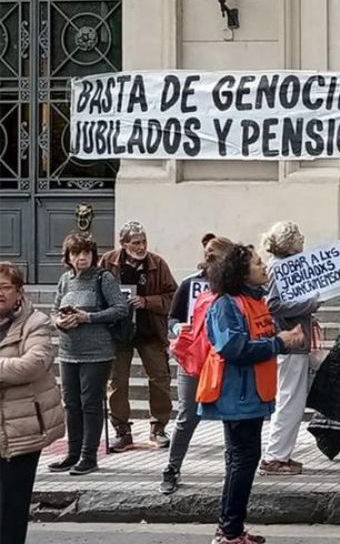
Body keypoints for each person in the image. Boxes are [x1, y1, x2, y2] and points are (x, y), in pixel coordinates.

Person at [198, 242, 308, 544]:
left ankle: (230, 527)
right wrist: (280, 343)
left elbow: (260, 336)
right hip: (238, 395)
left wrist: (285, 337)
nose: (264, 267)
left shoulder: (254, 302)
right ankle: (229, 531)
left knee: (242, 460)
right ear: (242, 273)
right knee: (242, 460)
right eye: (259, 263)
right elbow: (234, 348)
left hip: (253, 394)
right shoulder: (226, 305)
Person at [48, 232, 128, 476]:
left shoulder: (103, 278)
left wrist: (88, 317)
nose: (81, 258)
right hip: (68, 351)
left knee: (90, 403)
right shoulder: (65, 280)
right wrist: (59, 321)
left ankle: (89, 456)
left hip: (97, 352)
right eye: (76, 253)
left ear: (93, 256)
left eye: (86, 253)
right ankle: (73, 453)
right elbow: (53, 309)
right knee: (71, 404)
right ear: (68, 257)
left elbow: (121, 308)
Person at [161, 233, 234, 495]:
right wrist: (180, 327)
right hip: (194, 358)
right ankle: (172, 467)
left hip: (222, 359)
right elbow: (172, 318)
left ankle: (232, 470)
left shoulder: (234, 291)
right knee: (187, 415)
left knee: (229, 415)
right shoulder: (190, 285)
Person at [0, 262, 66, 544]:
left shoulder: (35, 322)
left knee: (11, 506)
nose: (0, 293)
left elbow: (32, 365)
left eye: (5, 287)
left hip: (22, 428)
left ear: (19, 292)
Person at [101, 221, 177, 452]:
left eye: (143, 242)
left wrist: (147, 302)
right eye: (135, 243)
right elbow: (97, 292)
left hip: (150, 330)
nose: (141, 247)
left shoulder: (157, 264)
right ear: (123, 244)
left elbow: (172, 296)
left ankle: (159, 428)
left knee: (160, 379)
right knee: (117, 382)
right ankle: (122, 431)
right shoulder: (108, 262)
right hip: (119, 332)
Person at [258, 221, 322, 476]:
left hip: (294, 341)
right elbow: (273, 305)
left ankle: (281, 453)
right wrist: (311, 304)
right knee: (289, 400)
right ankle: (275, 456)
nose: (303, 239)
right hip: (290, 343)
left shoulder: (280, 266)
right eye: (298, 236)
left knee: (291, 400)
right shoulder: (278, 268)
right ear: (289, 241)